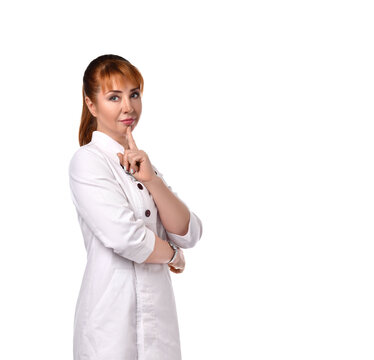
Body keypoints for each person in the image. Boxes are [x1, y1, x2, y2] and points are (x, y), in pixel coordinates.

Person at [68, 54, 203, 359]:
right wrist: (173, 256)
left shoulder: (141, 164)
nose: (128, 107)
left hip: (159, 320)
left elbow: (189, 231)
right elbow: (125, 238)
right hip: (110, 324)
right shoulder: (88, 161)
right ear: (91, 105)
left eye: (134, 94)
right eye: (114, 97)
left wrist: (152, 179)